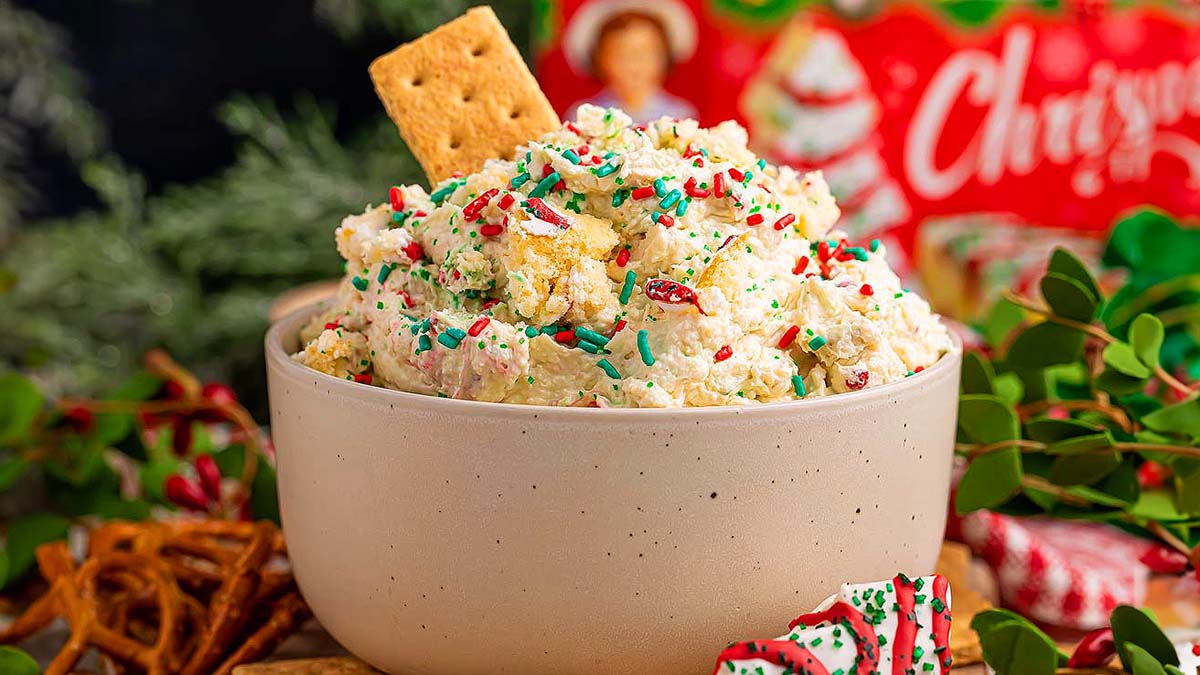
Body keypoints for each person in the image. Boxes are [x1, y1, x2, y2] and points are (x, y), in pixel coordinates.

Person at [563, 0, 698, 124]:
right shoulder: (584, 116)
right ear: (599, 60)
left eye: (645, 53)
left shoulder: (681, 116)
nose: (634, 64)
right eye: (621, 54)